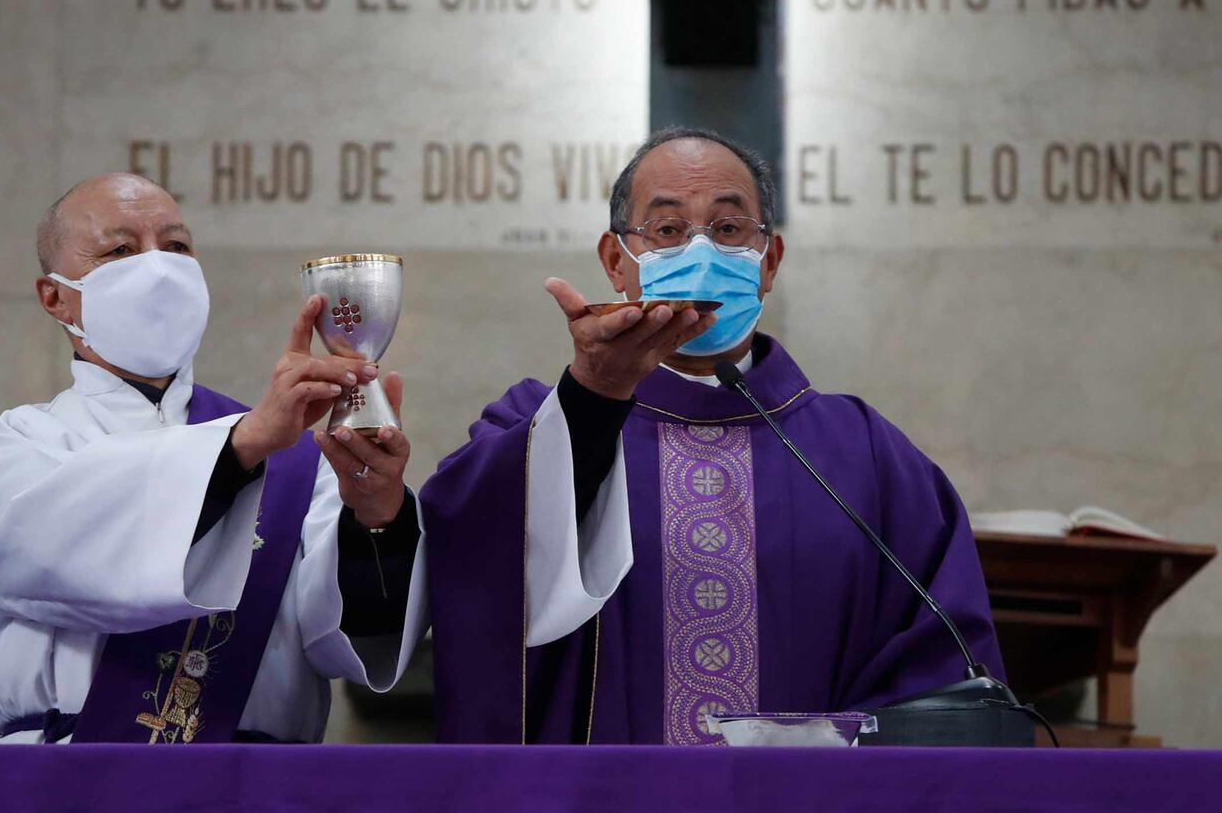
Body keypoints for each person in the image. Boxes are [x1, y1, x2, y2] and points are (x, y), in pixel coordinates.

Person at [420, 128, 1005, 744]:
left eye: (728, 230)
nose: (702, 251)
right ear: (617, 262)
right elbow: (469, 565)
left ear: (769, 262)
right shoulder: (541, 427)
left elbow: (943, 670)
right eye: (668, 231)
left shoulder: (866, 456)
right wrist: (592, 395)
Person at [0, 173, 426, 743]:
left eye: (176, 247)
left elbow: (348, 640)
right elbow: (58, 553)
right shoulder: (16, 446)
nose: (157, 268)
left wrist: (376, 517)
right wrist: (241, 447)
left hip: (249, 785)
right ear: (55, 296)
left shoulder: (298, 462)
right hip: (65, 780)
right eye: (120, 250)